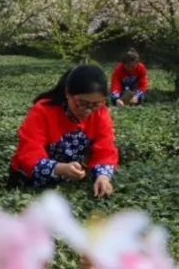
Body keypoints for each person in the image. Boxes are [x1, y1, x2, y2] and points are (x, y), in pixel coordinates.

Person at [10, 64, 118, 198]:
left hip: (69, 184)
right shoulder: (42, 111)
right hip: (31, 183)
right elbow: (29, 151)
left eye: (96, 104)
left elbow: (106, 148)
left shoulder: (101, 113)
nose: (88, 110)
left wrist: (103, 177)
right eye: (82, 103)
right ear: (68, 93)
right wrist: (59, 168)